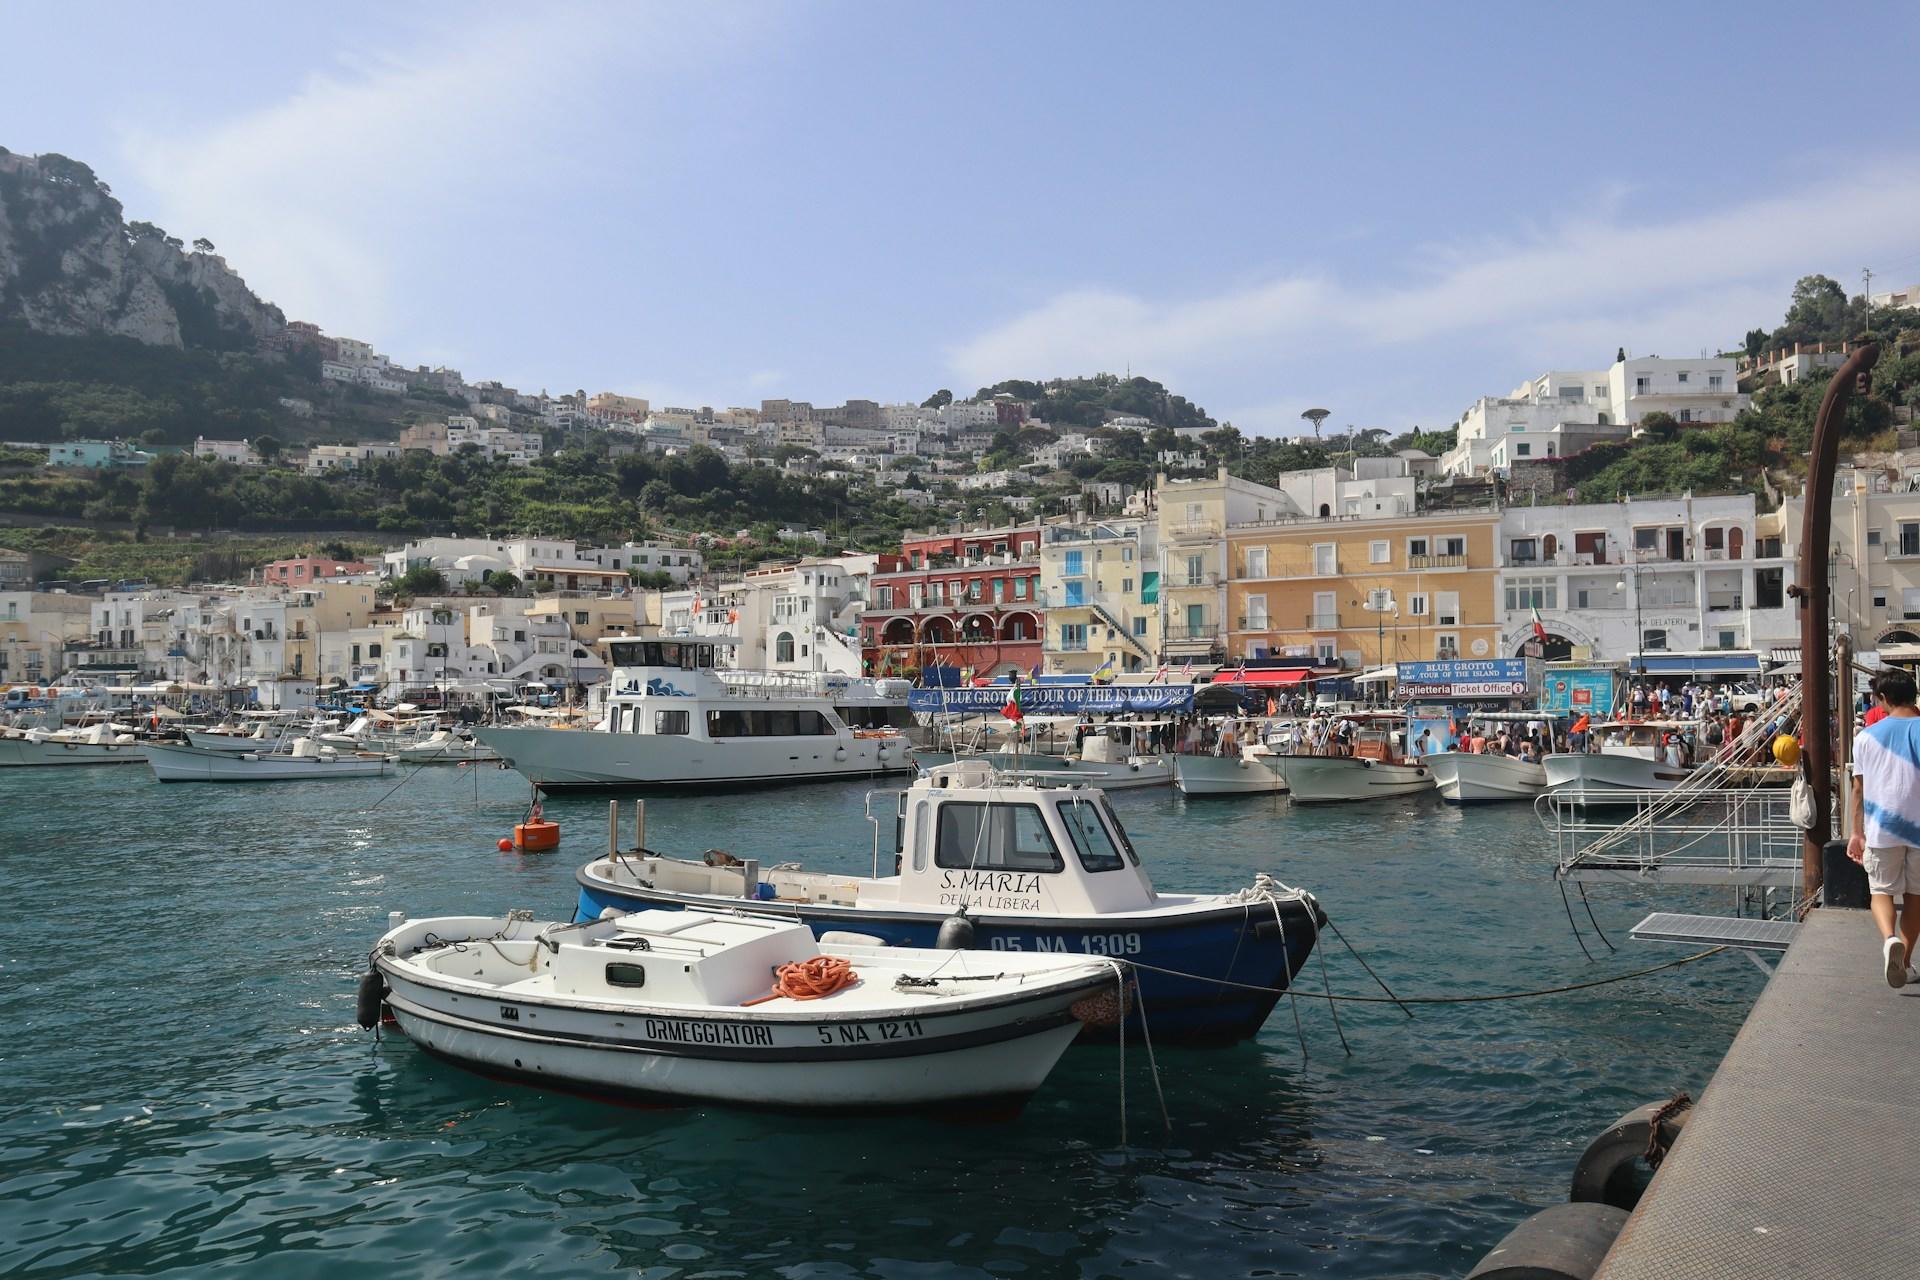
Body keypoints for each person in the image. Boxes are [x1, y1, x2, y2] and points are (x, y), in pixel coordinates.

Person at [1847, 668, 1920, 988]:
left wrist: (1856, 833)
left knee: (1880, 892)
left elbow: (1858, 791)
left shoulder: (1866, 738)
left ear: (1883, 699)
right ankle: (1904, 962)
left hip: (1881, 829)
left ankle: (1890, 939)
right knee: (1917, 897)